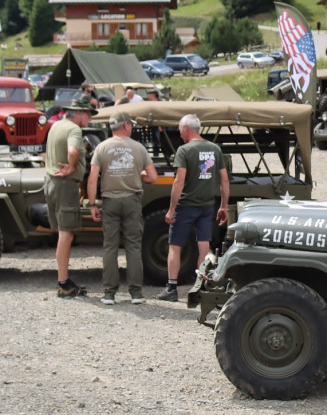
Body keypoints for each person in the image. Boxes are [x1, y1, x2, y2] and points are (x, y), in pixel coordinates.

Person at [87, 111, 157, 304]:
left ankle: (109, 293)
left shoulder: (102, 148)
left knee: (109, 246)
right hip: (132, 201)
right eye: (131, 125)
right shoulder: (139, 148)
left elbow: (93, 178)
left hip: (110, 200)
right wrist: (137, 175)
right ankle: (136, 293)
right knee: (133, 246)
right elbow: (153, 177)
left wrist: (92, 204)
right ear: (126, 126)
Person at [159, 114, 230, 301]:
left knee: (175, 246)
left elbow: (179, 180)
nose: (180, 133)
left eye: (180, 129)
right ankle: (201, 287)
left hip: (186, 206)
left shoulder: (184, 150)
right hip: (207, 205)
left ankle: (172, 288)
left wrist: (171, 209)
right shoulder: (215, 149)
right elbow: (224, 179)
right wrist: (223, 206)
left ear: (186, 128)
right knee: (203, 246)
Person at [44, 95, 94, 298]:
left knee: (62, 233)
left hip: (51, 181)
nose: (89, 119)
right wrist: (73, 166)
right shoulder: (74, 129)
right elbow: (73, 150)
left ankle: (63, 278)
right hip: (65, 185)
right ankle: (63, 282)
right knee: (66, 234)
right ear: (80, 114)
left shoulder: (57, 125)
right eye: (88, 115)